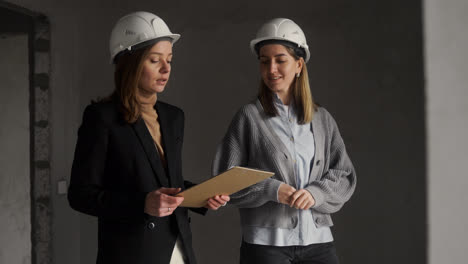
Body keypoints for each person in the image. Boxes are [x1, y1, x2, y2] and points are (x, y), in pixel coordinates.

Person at [68, 11, 229, 264]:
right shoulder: (102, 117)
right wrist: (141, 204)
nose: (166, 69)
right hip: (131, 253)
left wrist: (201, 196)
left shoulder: (174, 117)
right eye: (155, 60)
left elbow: (167, 181)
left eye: (170, 60)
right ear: (130, 63)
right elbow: (80, 194)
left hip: (178, 247)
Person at [212, 18, 356, 264]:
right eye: (264, 61)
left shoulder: (322, 120)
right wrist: (272, 190)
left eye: (280, 60)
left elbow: (344, 175)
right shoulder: (249, 117)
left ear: (299, 64)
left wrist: (316, 193)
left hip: (318, 242)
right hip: (266, 247)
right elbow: (225, 180)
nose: (271, 69)